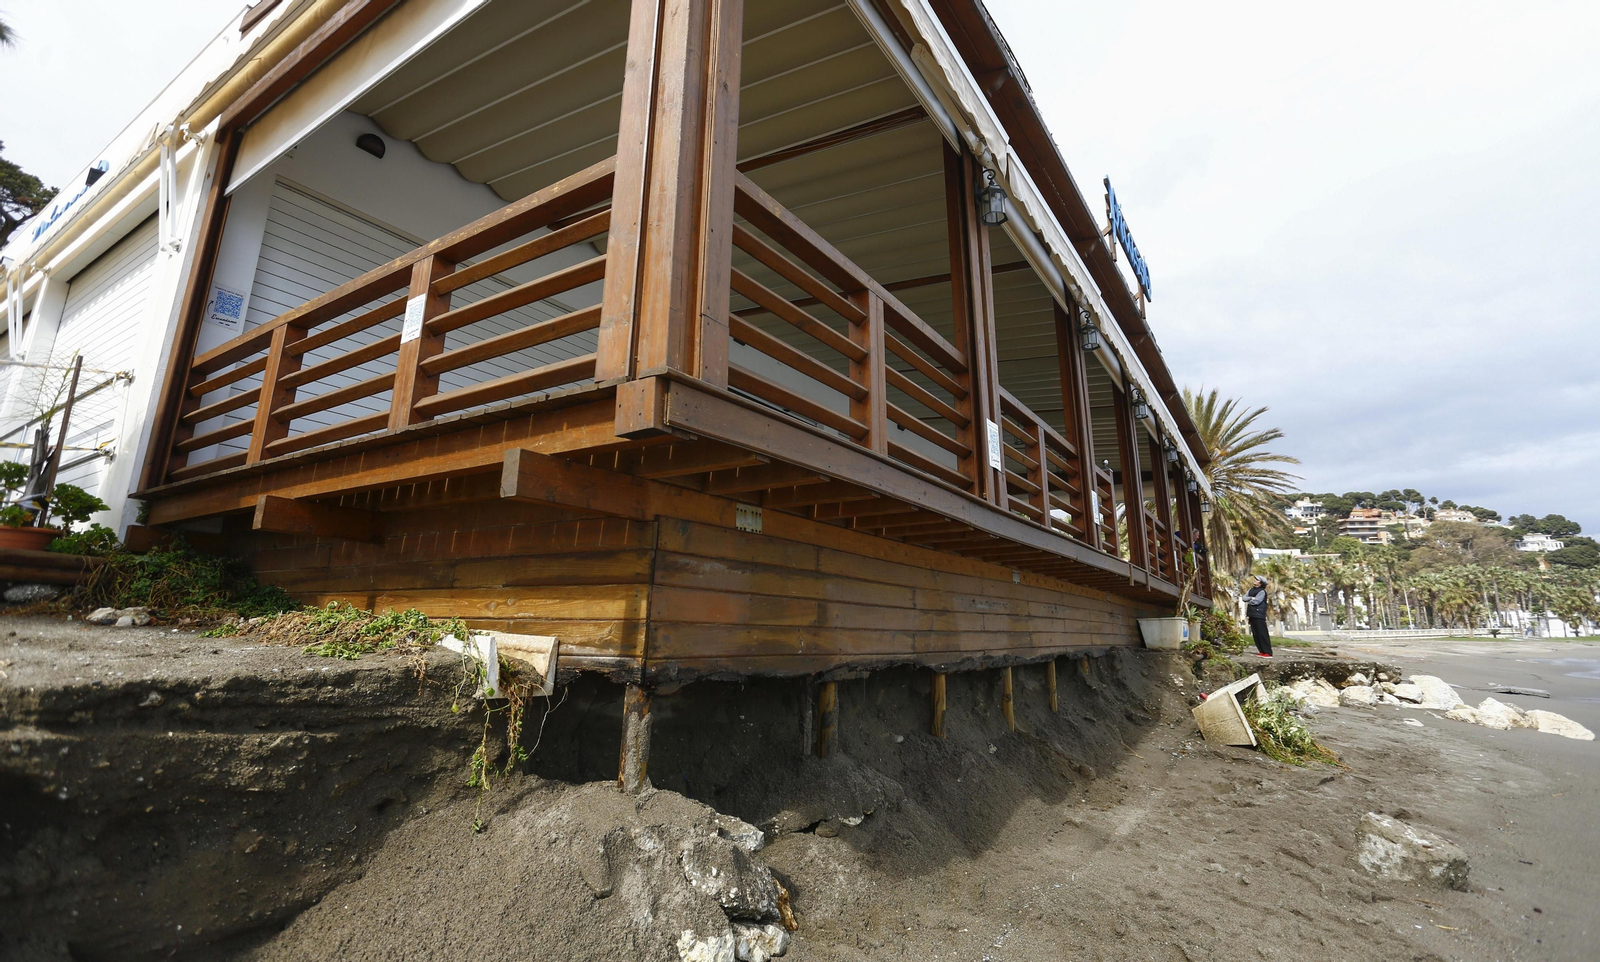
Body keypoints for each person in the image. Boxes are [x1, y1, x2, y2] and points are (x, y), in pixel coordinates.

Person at [1244, 575, 1272, 657]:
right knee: (1255, 633)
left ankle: (1267, 652)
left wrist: (1250, 599)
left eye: (1257, 580)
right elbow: (1244, 598)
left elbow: (1257, 601)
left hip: (1259, 615)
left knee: (1262, 633)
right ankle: (1261, 651)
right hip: (1252, 614)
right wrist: (1251, 598)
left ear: (1261, 583)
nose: (1254, 580)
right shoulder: (1251, 590)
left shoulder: (1262, 591)